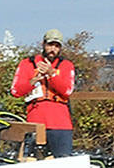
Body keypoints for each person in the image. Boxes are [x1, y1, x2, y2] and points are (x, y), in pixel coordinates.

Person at [10, 29, 75, 157]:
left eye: (57, 46)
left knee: (63, 164)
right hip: (35, 121)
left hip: (60, 123)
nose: (53, 49)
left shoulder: (66, 65)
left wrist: (52, 74)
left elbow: (67, 90)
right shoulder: (27, 64)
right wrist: (32, 81)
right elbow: (15, 91)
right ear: (43, 44)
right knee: (33, 164)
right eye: (50, 45)